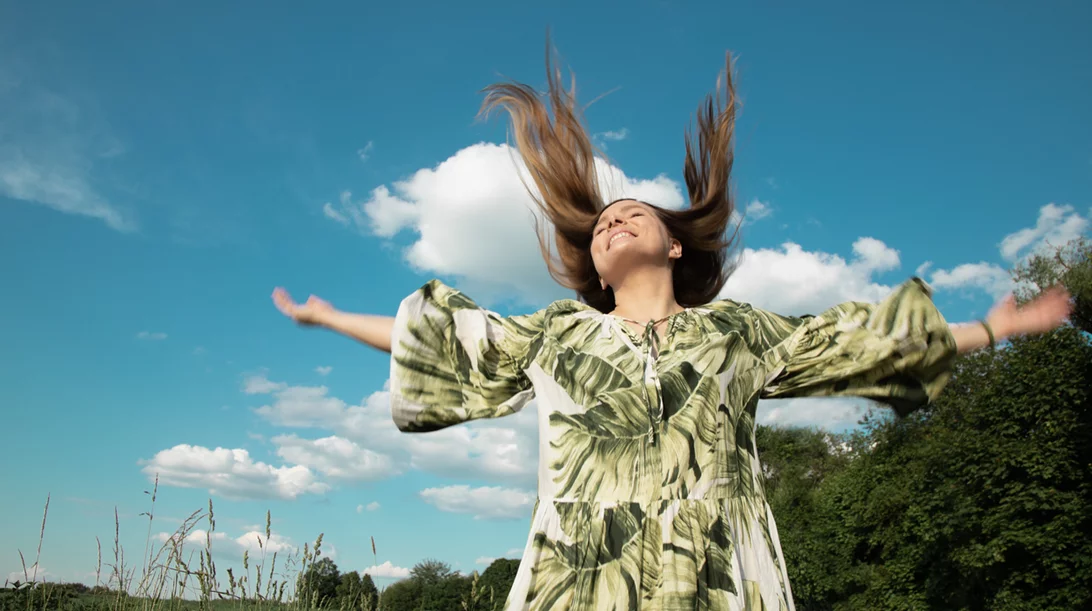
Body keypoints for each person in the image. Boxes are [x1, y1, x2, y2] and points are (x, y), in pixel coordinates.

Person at [272, 45, 1073, 611]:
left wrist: (989, 329)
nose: (614, 222)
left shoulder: (739, 332)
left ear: (675, 241)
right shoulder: (558, 334)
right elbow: (446, 342)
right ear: (593, 263)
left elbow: (857, 346)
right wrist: (329, 316)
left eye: (633, 214)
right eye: (601, 226)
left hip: (717, 570)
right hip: (581, 574)